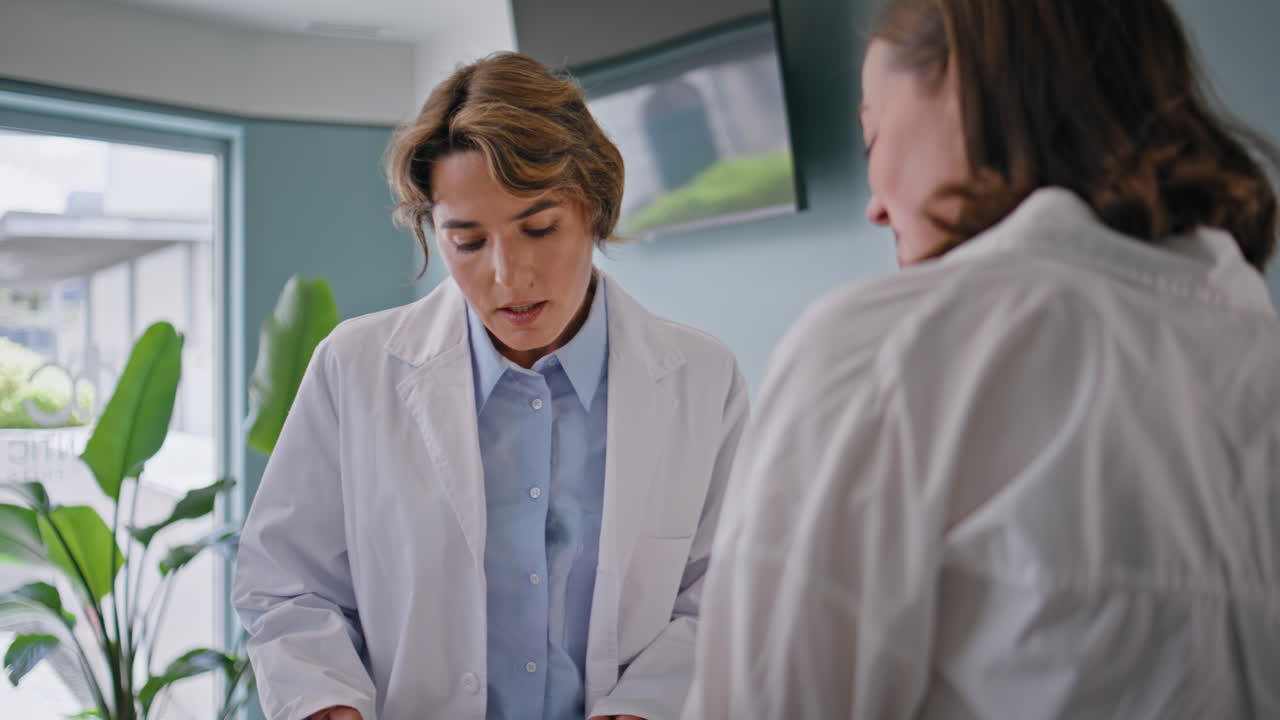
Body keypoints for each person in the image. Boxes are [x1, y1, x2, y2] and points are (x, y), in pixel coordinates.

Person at [685, 0, 1280, 717]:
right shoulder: (1254, 349)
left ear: (966, 86)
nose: (876, 208)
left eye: (872, 134)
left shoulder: (888, 352)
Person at [233, 51, 748, 720]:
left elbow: (727, 591)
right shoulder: (354, 368)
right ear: (432, 233)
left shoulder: (701, 380)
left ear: (592, 206)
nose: (509, 275)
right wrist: (328, 704)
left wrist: (647, 706)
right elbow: (286, 583)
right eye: (469, 242)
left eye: (539, 228)